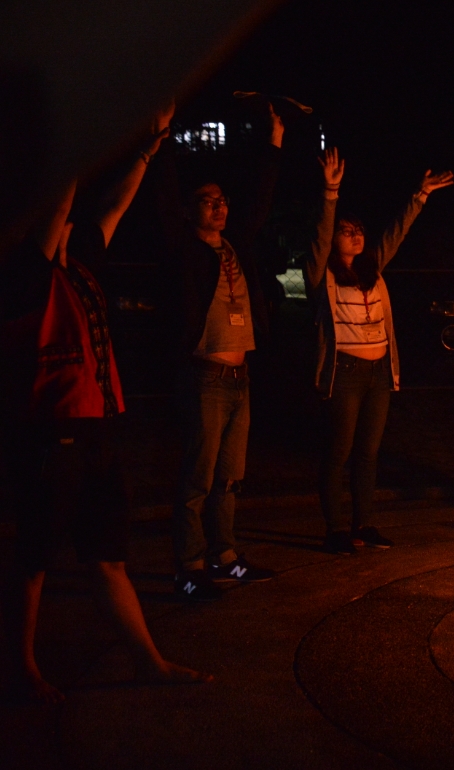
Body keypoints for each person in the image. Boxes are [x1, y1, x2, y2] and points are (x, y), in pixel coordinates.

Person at [1, 112, 211, 704]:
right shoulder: (23, 271)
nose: (73, 219)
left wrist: (146, 151)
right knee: (34, 561)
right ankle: (23, 670)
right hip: (50, 433)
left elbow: (113, 207)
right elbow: (60, 205)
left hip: (95, 431)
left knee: (108, 558)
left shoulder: (84, 261)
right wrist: (74, 130)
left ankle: (150, 662)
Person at [152, 103, 285, 601]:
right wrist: (162, 139)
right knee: (198, 479)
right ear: (190, 210)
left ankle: (224, 558)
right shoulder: (185, 249)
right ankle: (188, 566)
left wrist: (273, 139)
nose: (219, 206)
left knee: (230, 477)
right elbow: (164, 196)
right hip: (205, 376)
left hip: (239, 378)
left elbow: (259, 202)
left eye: (222, 200)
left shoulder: (237, 247)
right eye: (208, 201)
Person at [309, 148, 453, 554]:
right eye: (346, 230)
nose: (355, 235)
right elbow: (320, 236)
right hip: (346, 371)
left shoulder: (372, 268)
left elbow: (396, 233)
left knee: (369, 453)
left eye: (358, 230)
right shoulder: (323, 274)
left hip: (377, 373)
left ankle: (363, 524)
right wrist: (331, 192)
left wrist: (419, 196)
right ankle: (335, 528)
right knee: (340, 450)